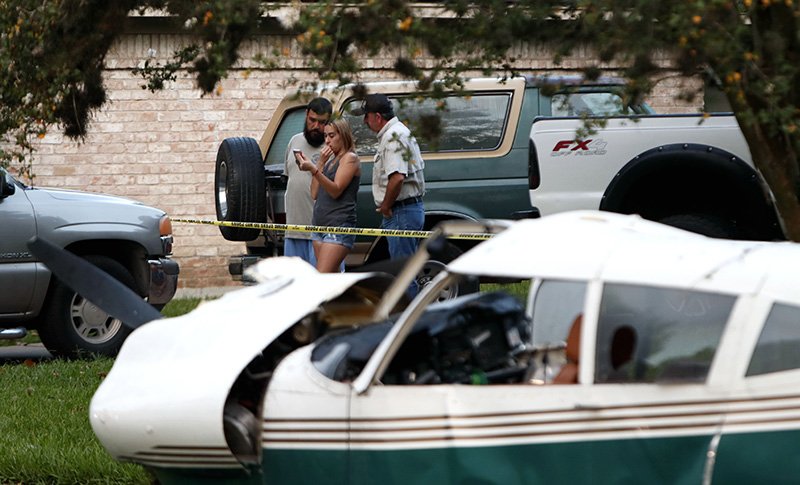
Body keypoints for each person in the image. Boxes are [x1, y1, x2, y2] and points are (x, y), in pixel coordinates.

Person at [353, 93, 425, 294]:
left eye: (366, 116)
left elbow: (397, 177)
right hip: (404, 211)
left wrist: (385, 205)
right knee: (404, 273)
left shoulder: (394, 137)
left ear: (377, 116)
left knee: (403, 276)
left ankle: (408, 322)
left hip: (401, 211)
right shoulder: (396, 132)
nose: (364, 121)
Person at [296, 118, 361, 273]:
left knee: (322, 278)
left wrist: (314, 170)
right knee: (332, 282)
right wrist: (319, 164)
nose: (327, 141)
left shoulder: (350, 159)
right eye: (325, 136)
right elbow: (314, 193)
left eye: (332, 136)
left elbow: (336, 190)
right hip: (320, 225)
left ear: (343, 135)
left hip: (337, 227)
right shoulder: (331, 161)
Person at [283, 97, 333, 267]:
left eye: (322, 122)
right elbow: (290, 179)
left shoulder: (334, 149)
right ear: (306, 115)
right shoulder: (294, 142)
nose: (316, 127)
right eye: (312, 120)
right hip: (293, 231)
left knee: (322, 288)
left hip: (321, 234)